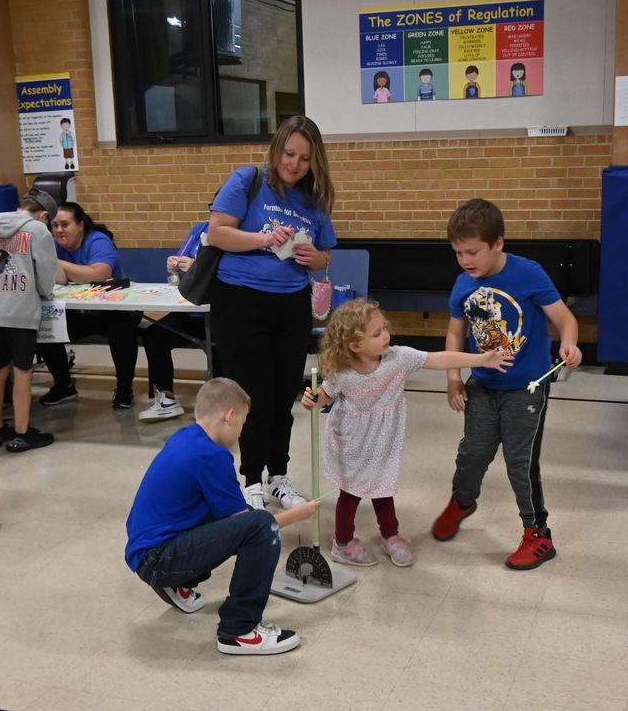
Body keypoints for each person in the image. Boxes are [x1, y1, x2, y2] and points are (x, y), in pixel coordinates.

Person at [302, 299, 513, 567]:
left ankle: (391, 535)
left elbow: (438, 358)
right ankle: (342, 543)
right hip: (352, 442)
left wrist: (482, 359)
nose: (386, 335)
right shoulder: (342, 372)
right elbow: (325, 396)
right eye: (376, 333)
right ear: (355, 345)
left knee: (383, 487)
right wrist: (313, 399)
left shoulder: (398, 359)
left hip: (383, 439)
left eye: (384, 328)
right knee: (351, 493)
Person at [433, 198, 582, 570]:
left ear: (498, 243)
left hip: (526, 389)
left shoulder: (528, 274)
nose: (466, 260)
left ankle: (538, 535)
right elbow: (455, 332)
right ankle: (463, 501)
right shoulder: (462, 284)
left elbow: (565, 318)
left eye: (473, 252)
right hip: (482, 385)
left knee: (521, 463)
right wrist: (454, 378)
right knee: (472, 454)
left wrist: (570, 342)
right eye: (458, 253)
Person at [125, 378, 320, 655]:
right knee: (262, 526)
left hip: (144, 550)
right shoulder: (212, 456)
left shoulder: (186, 437)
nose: (241, 432)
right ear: (229, 416)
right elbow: (251, 526)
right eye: (242, 423)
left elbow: (231, 515)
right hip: (157, 558)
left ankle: (176, 582)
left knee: (228, 515)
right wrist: (296, 515)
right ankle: (240, 630)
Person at [207, 115, 336, 512]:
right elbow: (217, 233)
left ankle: (278, 477)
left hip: (290, 305)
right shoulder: (249, 179)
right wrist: (265, 238)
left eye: (303, 158)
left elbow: (325, 256)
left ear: (315, 162)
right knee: (254, 397)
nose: (294, 164)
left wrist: (315, 257)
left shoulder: (313, 201)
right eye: (289, 153)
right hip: (240, 301)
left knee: (283, 397)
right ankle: (251, 482)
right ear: (276, 148)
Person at [0, 187, 60, 452]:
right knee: (22, 370)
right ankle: (23, 433)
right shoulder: (38, 231)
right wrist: (46, 293)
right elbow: (47, 271)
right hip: (20, 308)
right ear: (44, 216)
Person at [37, 201, 140, 409]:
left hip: (112, 308)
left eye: (65, 225)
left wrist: (60, 263)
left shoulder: (98, 241)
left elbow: (100, 274)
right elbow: (60, 279)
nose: (59, 230)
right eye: (55, 225)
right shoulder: (52, 244)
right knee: (43, 322)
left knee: (120, 324)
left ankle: (124, 386)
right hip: (76, 310)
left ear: (80, 225)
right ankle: (63, 384)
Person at [138, 220, 220, 422]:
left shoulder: (238, 235)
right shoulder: (201, 229)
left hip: (221, 313)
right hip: (190, 310)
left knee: (219, 346)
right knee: (154, 335)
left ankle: (221, 402)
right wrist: (174, 265)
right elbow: (181, 260)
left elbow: (232, 274)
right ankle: (167, 398)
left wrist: (197, 267)